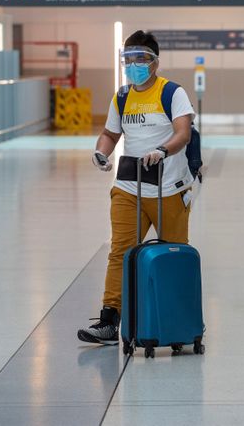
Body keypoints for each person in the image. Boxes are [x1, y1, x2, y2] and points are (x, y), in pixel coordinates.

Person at [77, 30, 195, 345]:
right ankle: (108, 321)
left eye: (140, 59)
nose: (133, 65)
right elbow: (109, 133)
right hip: (129, 186)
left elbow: (184, 133)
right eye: (128, 60)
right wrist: (101, 151)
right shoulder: (122, 96)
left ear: (155, 62)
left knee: (173, 251)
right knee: (121, 251)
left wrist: (163, 151)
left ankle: (175, 320)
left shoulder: (172, 93)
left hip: (169, 188)